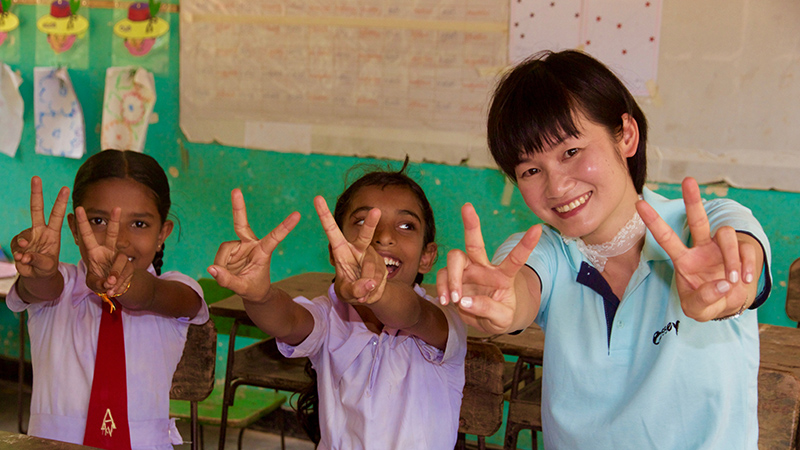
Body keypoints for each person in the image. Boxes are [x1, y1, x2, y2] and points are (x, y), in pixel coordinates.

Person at [437, 50, 771, 449]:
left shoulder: (713, 224)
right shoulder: (546, 250)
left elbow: (741, 259)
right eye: (530, 170)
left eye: (571, 152)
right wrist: (503, 305)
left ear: (626, 135)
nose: (557, 187)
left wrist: (732, 287)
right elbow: (520, 287)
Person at [209, 162, 467, 449]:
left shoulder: (443, 321)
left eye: (406, 225)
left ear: (427, 256)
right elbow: (288, 320)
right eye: (363, 221)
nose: (383, 236)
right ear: (335, 251)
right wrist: (259, 296)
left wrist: (375, 292)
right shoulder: (330, 316)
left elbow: (412, 313)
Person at [7, 150, 208, 450]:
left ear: (162, 233)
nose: (119, 239)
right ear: (75, 229)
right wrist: (38, 272)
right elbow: (41, 287)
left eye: (139, 224)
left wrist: (119, 285)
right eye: (99, 220)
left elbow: (150, 295)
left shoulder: (176, 290)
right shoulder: (58, 288)